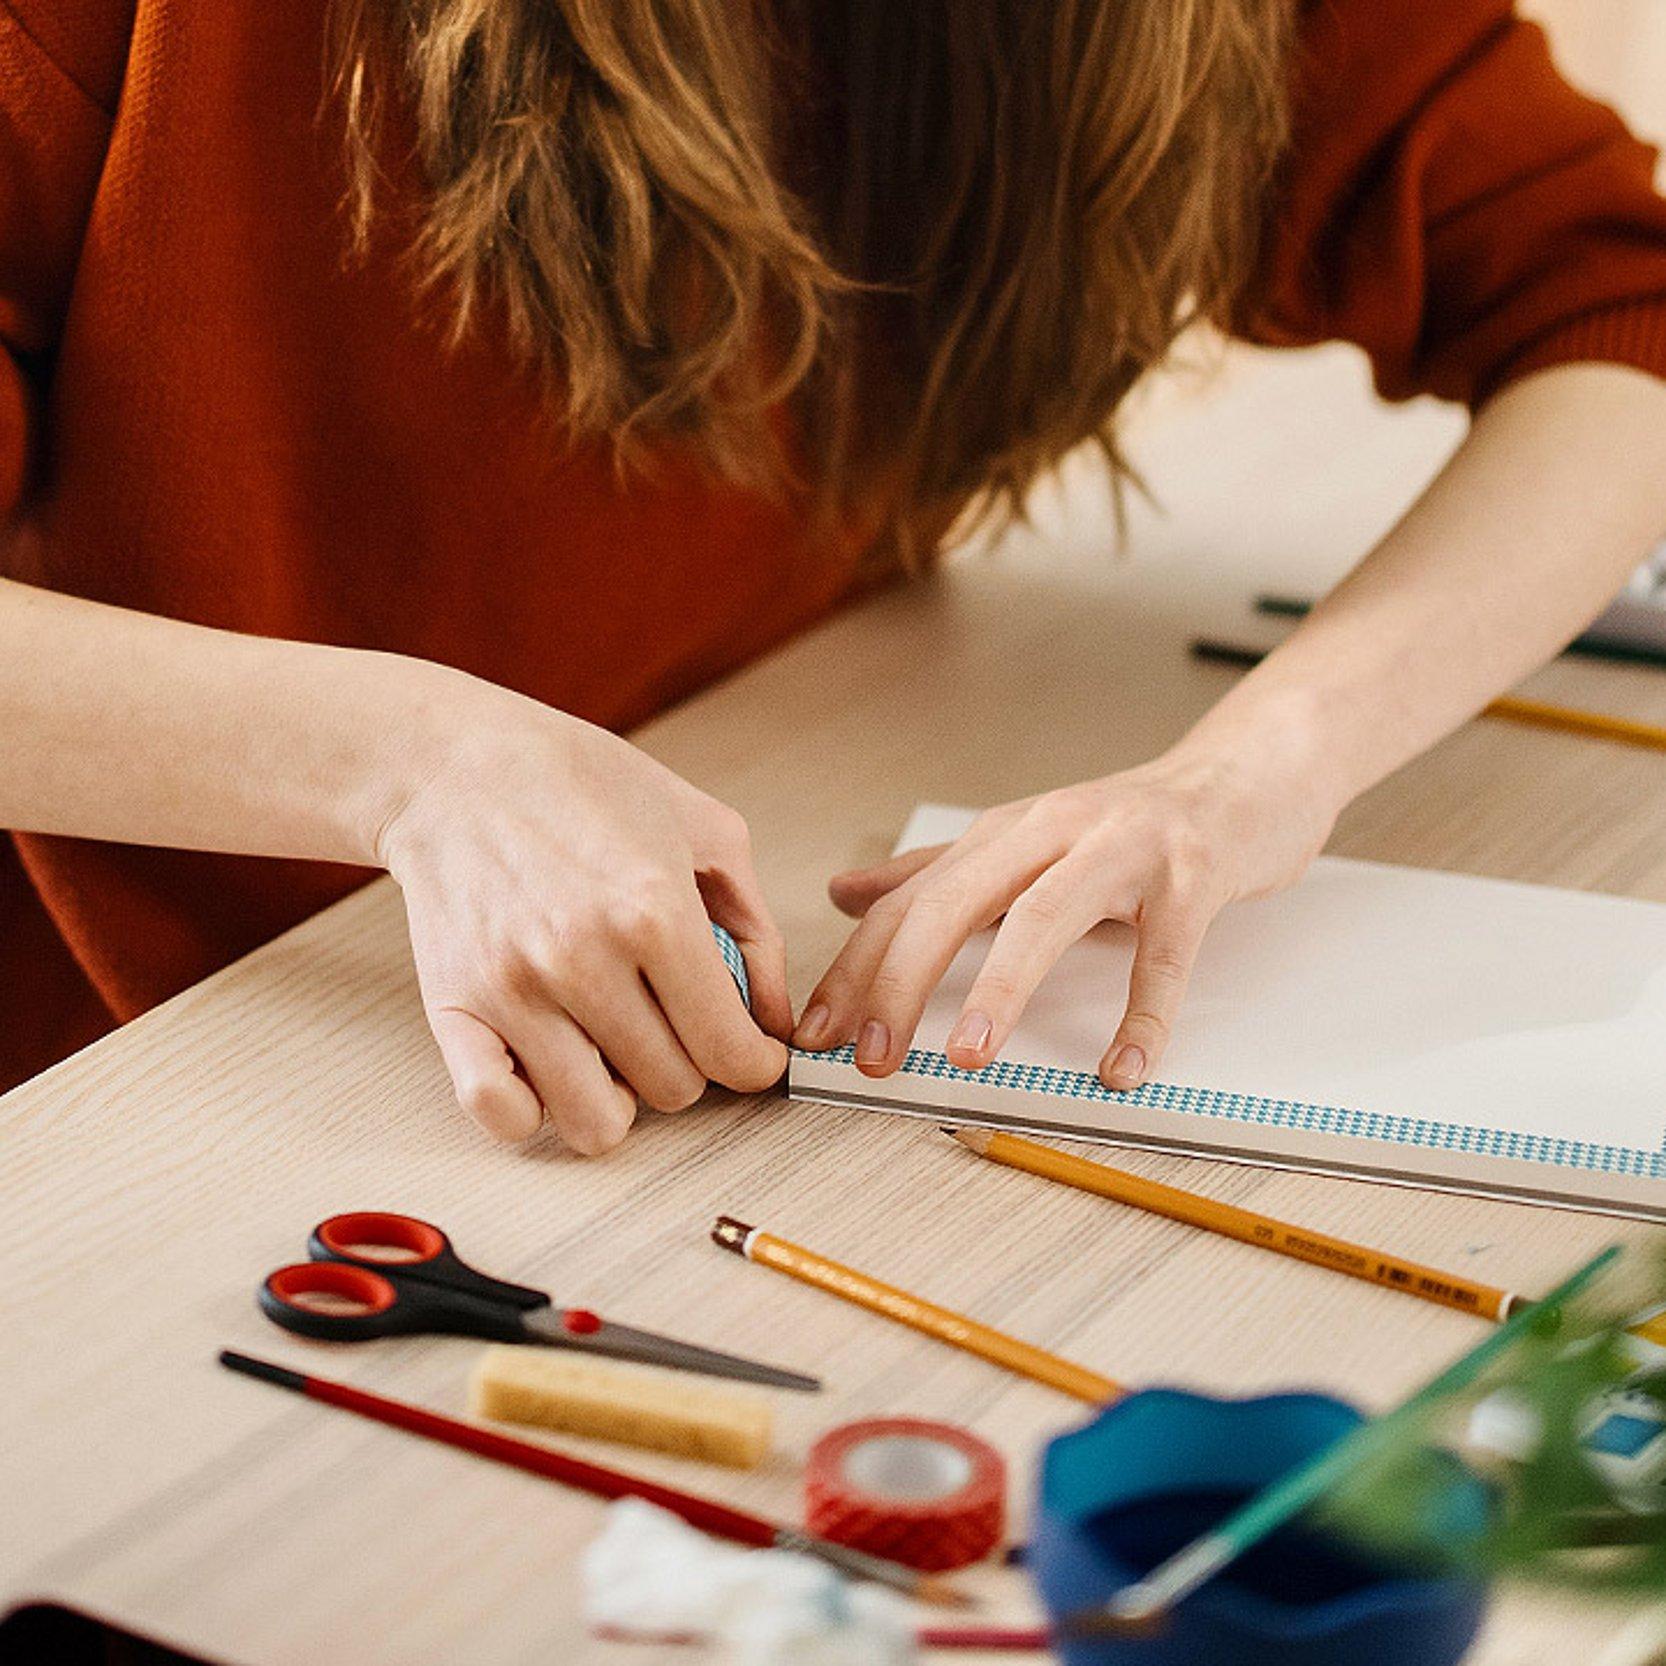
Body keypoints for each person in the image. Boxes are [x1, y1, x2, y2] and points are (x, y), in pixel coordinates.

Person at [3, 0, 1665, 1153]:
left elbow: (1611, 311)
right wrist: (410, 765)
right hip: (145, 1050)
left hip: (764, 864)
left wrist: (1252, 772)